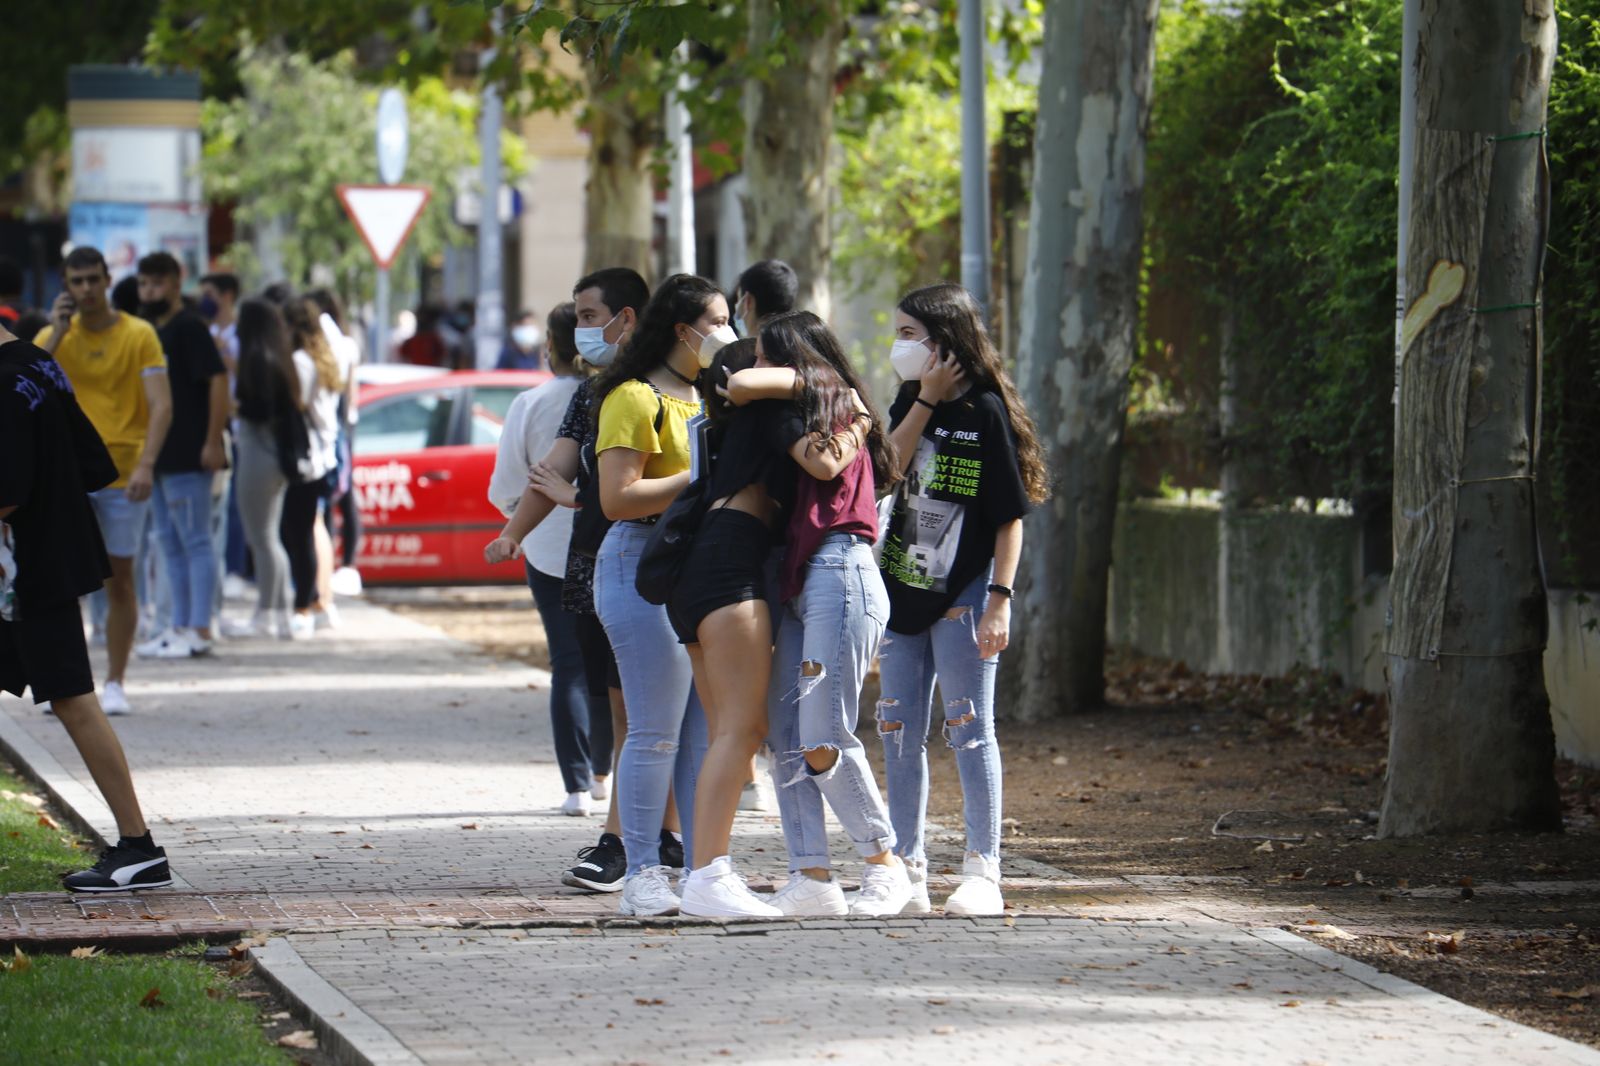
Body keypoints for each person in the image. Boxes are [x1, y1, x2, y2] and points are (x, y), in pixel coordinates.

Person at [486, 267, 680, 894]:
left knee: (662, 715)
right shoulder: (593, 394)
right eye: (577, 316)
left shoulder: (682, 391)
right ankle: (648, 840)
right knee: (632, 715)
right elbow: (552, 472)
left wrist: (586, 497)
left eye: (590, 316)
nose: (580, 329)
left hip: (667, 565)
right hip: (599, 564)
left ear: (630, 319)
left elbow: (661, 484)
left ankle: (637, 841)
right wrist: (515, 531)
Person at [724, 311, 912, 917]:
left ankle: (886, 863)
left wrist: (844, 407)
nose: (754, 367)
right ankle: (811, 874)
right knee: (785, 736)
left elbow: (825, 465)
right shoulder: (824, 411)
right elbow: (737, 387)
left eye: (765, 357)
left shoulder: (835, 413)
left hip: (840, 573)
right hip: (799, 580)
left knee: (823, 736)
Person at [873, 282, 1049, 915]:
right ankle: (907, 867)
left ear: (944, 343)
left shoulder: (985, 413)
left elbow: (1009, 518)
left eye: (908, 335)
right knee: (897, 730)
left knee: (969, 727)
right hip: (901, 592)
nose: (899, 346)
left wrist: (999, 598)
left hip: (966, 593)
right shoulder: (906, 400)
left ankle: (983, 869)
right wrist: (922, 399)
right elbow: (886, 472)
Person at [0, 322, 173, 891]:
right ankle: (137, 846)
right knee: (74, 698)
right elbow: (92, 461)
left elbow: (7, 492)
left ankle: (139, 847)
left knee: (75, 700)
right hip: (43, 559)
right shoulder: (38, 364)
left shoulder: (6, 380)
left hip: (26, 572)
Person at [592, 273, 727, 916]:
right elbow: (617, 499)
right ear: (683, 329)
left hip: (695, 571)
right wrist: (697, 478)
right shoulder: (633, 397)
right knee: (654, 730)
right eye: (718, 321)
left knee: (703, 730)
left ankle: (706, 872)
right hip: (639, 564)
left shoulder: (711, 396)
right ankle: (642, 872)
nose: (727, 335)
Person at [34, 246, 171, 715]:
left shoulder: (140, 334)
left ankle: (115, 681)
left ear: (109, 279)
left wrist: (148, 464)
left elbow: (162, 405)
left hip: (123, 474)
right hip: (66, 477)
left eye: (94, 279)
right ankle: (70, 686)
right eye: (77, 281)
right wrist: (56, 332)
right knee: (64, 582)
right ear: (66, 286)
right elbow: (17, 383)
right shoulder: (56, 337)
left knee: (121, 581)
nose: (87, 290)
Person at [487, 303, 608, 815]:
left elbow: (507, 486)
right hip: (606, 544)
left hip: (546, 548)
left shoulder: (530, 402)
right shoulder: (608, 395)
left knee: (568, 664)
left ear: (548, 347)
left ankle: (576, 785)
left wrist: (516, 524)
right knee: (609, 661)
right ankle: (604, 771)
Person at [130, 252, 229, 659]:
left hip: (189, 452)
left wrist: (213, 439)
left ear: (175, 283)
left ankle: (200, 627)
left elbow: (218, 379)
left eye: (156, 283)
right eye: (143, 284)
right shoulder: (148, 329)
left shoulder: (190, 328)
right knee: (168, 543)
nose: (149, 291)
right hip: (157, 454)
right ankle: (178, 626)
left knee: (196, 541)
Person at [225, 299, 299, 639]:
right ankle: (280, 610)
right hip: (274, 457)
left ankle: (267, 612)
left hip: (258, 453)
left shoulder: (257, 361)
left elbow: (256, 409)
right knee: (271, 537)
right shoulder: (279, 358)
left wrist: (232, 405)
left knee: (262, 538)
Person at [279, 296, 343, 639]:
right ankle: (318, 600)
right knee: (309, 528)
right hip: (323, 454)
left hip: (307, 458)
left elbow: (297, 403)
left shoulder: (301, 362)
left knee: (298, 533)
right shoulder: (324, 358)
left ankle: (305, 603)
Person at [309, 289, 363, 610]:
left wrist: (343, 424)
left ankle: (345, 566)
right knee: (338, 495)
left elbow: (348, 390)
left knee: (338, 495)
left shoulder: (336, 344)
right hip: (341, 426)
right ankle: (339, 567)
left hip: (337, 427)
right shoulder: (344, 343)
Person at [731, 259, 798, 338]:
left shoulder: (748, 349)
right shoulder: (798, 346)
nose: (737, 306)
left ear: (748, 301)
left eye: (739, 299)